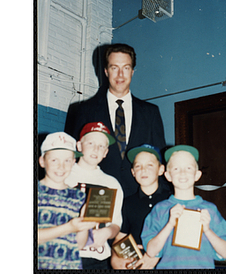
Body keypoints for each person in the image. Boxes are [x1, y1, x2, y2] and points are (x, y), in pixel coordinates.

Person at [64, 43, 166, 198]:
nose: (120, 75)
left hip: (140, 198)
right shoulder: (84, 110)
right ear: (106, 71)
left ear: (132, 72)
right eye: (114, 68)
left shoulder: (150, 112)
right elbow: (72, 157)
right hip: (97, 196)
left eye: (125, 68)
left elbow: (159, 158)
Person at [141, 145, 226, 269]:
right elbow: (151, 251)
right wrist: (169, 224)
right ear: (168, 175)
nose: (183, 173)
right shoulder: (160, 210)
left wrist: (207, 229)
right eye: (176, 168)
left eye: (189, 168)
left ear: (197, 175)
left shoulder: (210, 210)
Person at [64, 122, 124, 269]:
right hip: (65, 253)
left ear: (106, 152)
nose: (96, 149)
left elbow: (116, 223)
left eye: (101, 146)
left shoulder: (111, 183)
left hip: (98, 257)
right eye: (90, 143)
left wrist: (108, 231)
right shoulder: (64, 175)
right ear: (79, 146)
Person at [38, 132, 97, 269]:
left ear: (74, 162)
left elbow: (80, 244)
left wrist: (84, 223)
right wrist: (69, 227)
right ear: (42, 161)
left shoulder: (79, 197)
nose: (61, 167)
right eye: (54, 160)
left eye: (67, 160)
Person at [110, 144, 172, 270]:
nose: (143, 170)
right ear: (133, 172)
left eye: (150, 165)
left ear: (161, 169)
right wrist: (116, 259)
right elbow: (120, 238)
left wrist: (155, 256)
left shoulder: (172, 200)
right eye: (138, 166)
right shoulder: (127, 203)